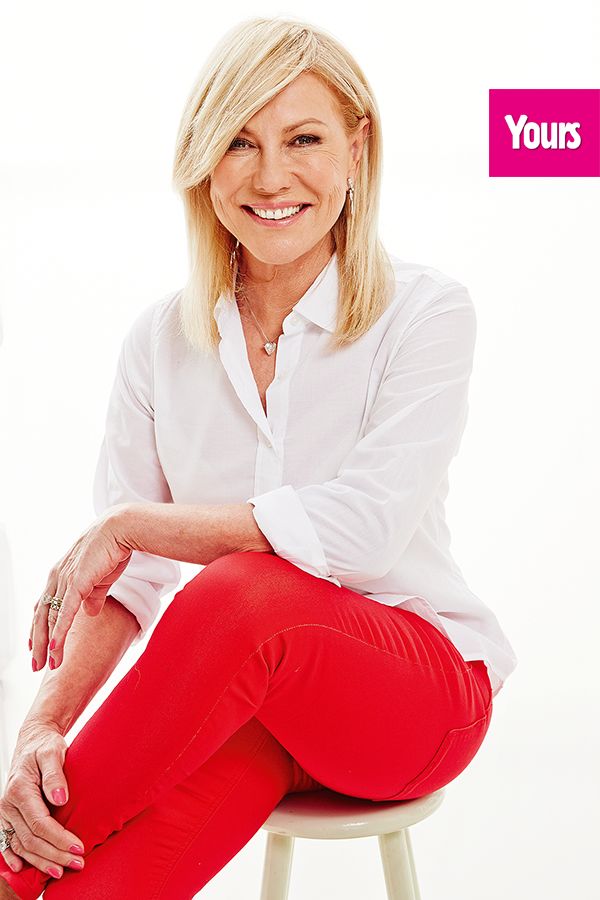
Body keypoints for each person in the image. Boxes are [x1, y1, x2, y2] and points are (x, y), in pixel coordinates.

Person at [0, 15, 518, 899]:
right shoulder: (160, 341)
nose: (271, 175)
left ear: (357, 150)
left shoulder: (427, 313)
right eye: (240, 141)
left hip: (415, 700)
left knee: (240, 590)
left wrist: (131, 524)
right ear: (205, 161)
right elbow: (126, 584)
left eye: (303, 139)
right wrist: (40, 730)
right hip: (257, 711)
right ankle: (22, 856)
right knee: (90, 881)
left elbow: (360, 534)